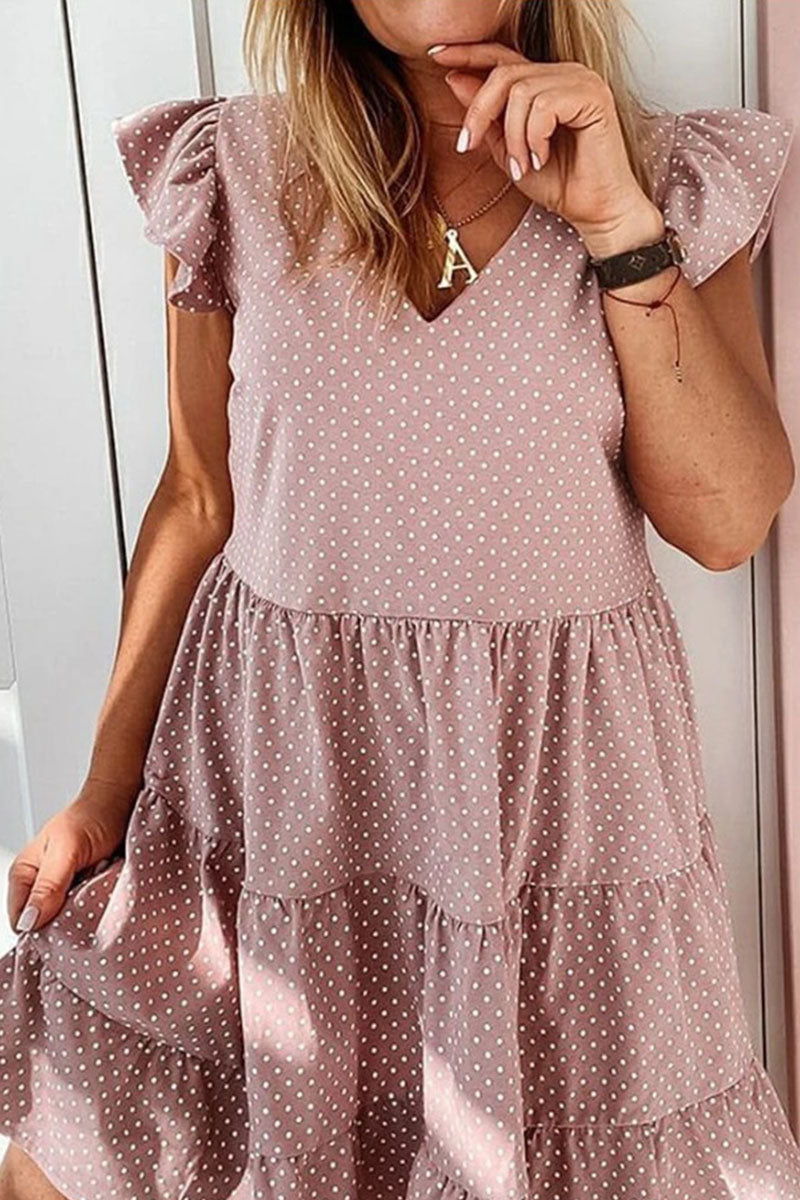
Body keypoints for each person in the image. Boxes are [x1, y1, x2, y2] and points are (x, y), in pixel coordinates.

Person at [1, 0, 799, 1197]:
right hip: (281, 790)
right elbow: (197, 494)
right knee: (82, 1154)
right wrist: (102, 795)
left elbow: (725, 522)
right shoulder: (235, 171)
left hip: (546, 808)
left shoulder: (665, 181)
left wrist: (615, 227)